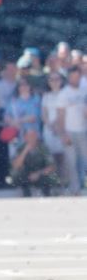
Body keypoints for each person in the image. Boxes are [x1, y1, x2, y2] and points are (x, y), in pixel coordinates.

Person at [57, 66, 87, 195]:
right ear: (69, 77)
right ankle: (75, 189)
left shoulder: (84, 91)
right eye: (73, 77)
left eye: (77, 76)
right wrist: (63, 134)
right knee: (72, 161)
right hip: (69, 131)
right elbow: (60, 115)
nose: (75, 79)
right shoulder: (64, 93)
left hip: (83, 131)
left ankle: (82, 185)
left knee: (84, 160)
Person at [10, 128, 58, 197]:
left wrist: (38, 174)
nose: (33, 138)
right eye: (30, 136)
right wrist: (25, 151)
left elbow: (52, 166)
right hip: (26, 175)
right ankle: (25, 194)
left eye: (34, 136)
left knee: (52, 176)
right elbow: (16, 166)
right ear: (25, 138)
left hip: (40, 173)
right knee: (15, 173)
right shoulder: (20, 148)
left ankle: (47, 194)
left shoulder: (43, 148)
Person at [41, 70, 67, 182]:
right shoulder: (46, 96)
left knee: (63, 157)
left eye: (57, 79)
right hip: (49, 130)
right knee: (51, 157)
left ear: (61, 81)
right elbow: (43, 113)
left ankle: (65, 181)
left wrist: (57, 126)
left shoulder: (66, 94)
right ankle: (53, 182)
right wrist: (50, 125)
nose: (54, 82)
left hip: (62, 128)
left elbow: (64, 112)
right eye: (52, 79)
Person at [4, 78, 41, 146]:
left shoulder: (35, 98)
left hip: (31, 134)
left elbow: (33, 117)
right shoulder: (12, 100)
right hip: (15, 135)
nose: (23, 87)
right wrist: (12, 122)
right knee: (15, 155)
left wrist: (17, 121)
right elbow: (6, 116)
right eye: (21, 85)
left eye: (26, 85)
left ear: (30, 86)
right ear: (18, 87)